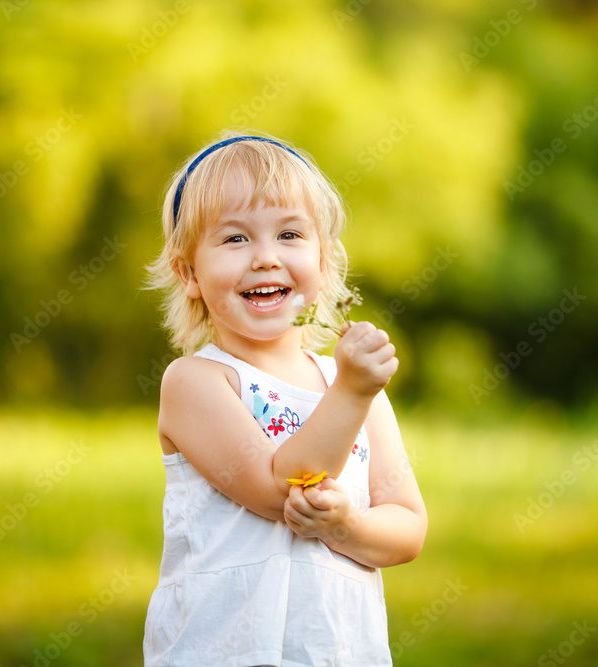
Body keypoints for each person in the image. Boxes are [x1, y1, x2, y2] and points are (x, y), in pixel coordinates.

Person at [143, 131, 427, 666]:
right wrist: (351, 390)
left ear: (324, 262)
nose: (266, 258)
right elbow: (282, 489)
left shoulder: (354, 392)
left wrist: (349, 527)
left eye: (290, 234)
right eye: (235, 239)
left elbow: (408, 524)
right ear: (189, 274)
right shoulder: (197, 382)